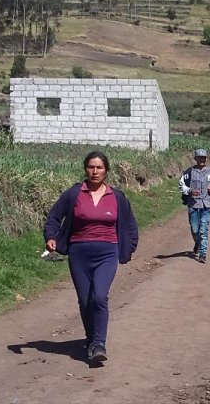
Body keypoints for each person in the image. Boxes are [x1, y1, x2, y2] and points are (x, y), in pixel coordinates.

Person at [44, 151, 139, 364]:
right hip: (79, 254)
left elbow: (130, 226)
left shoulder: (117, 197)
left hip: (107, 252)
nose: (95, 171)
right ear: (85, 169)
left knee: (99, 297)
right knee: (85, 301)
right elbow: (53, 217)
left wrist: (129, 247)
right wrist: (51, 237)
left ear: (106, 170)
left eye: (99, 168)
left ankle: (99, 343)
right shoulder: (74, 194)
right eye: (91, 167)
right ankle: (91, 340)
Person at [179, 148, 210, 263]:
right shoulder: (188, 172)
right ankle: (198, 242)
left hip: (206, 205)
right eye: (200, 157)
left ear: (206, 158)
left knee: (204, 230)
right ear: (195, 158)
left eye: (204, 157)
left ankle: (203, 253)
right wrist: (190, 191)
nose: (202, 160)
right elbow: (181, 186)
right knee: (195, 230)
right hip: (193, 205)